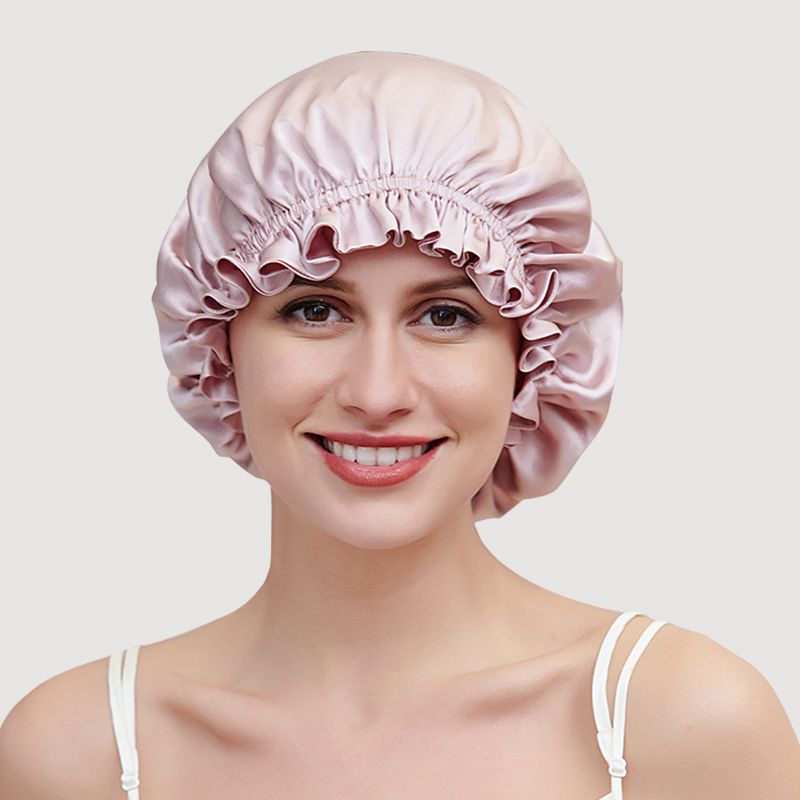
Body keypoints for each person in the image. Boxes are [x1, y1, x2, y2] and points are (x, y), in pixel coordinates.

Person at [1, 50, 797, 800]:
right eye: (315, 309)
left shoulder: (679, 726)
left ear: (532, 358)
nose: (377, 393)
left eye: (446, 315)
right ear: (218, 344)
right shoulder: (80, 752)